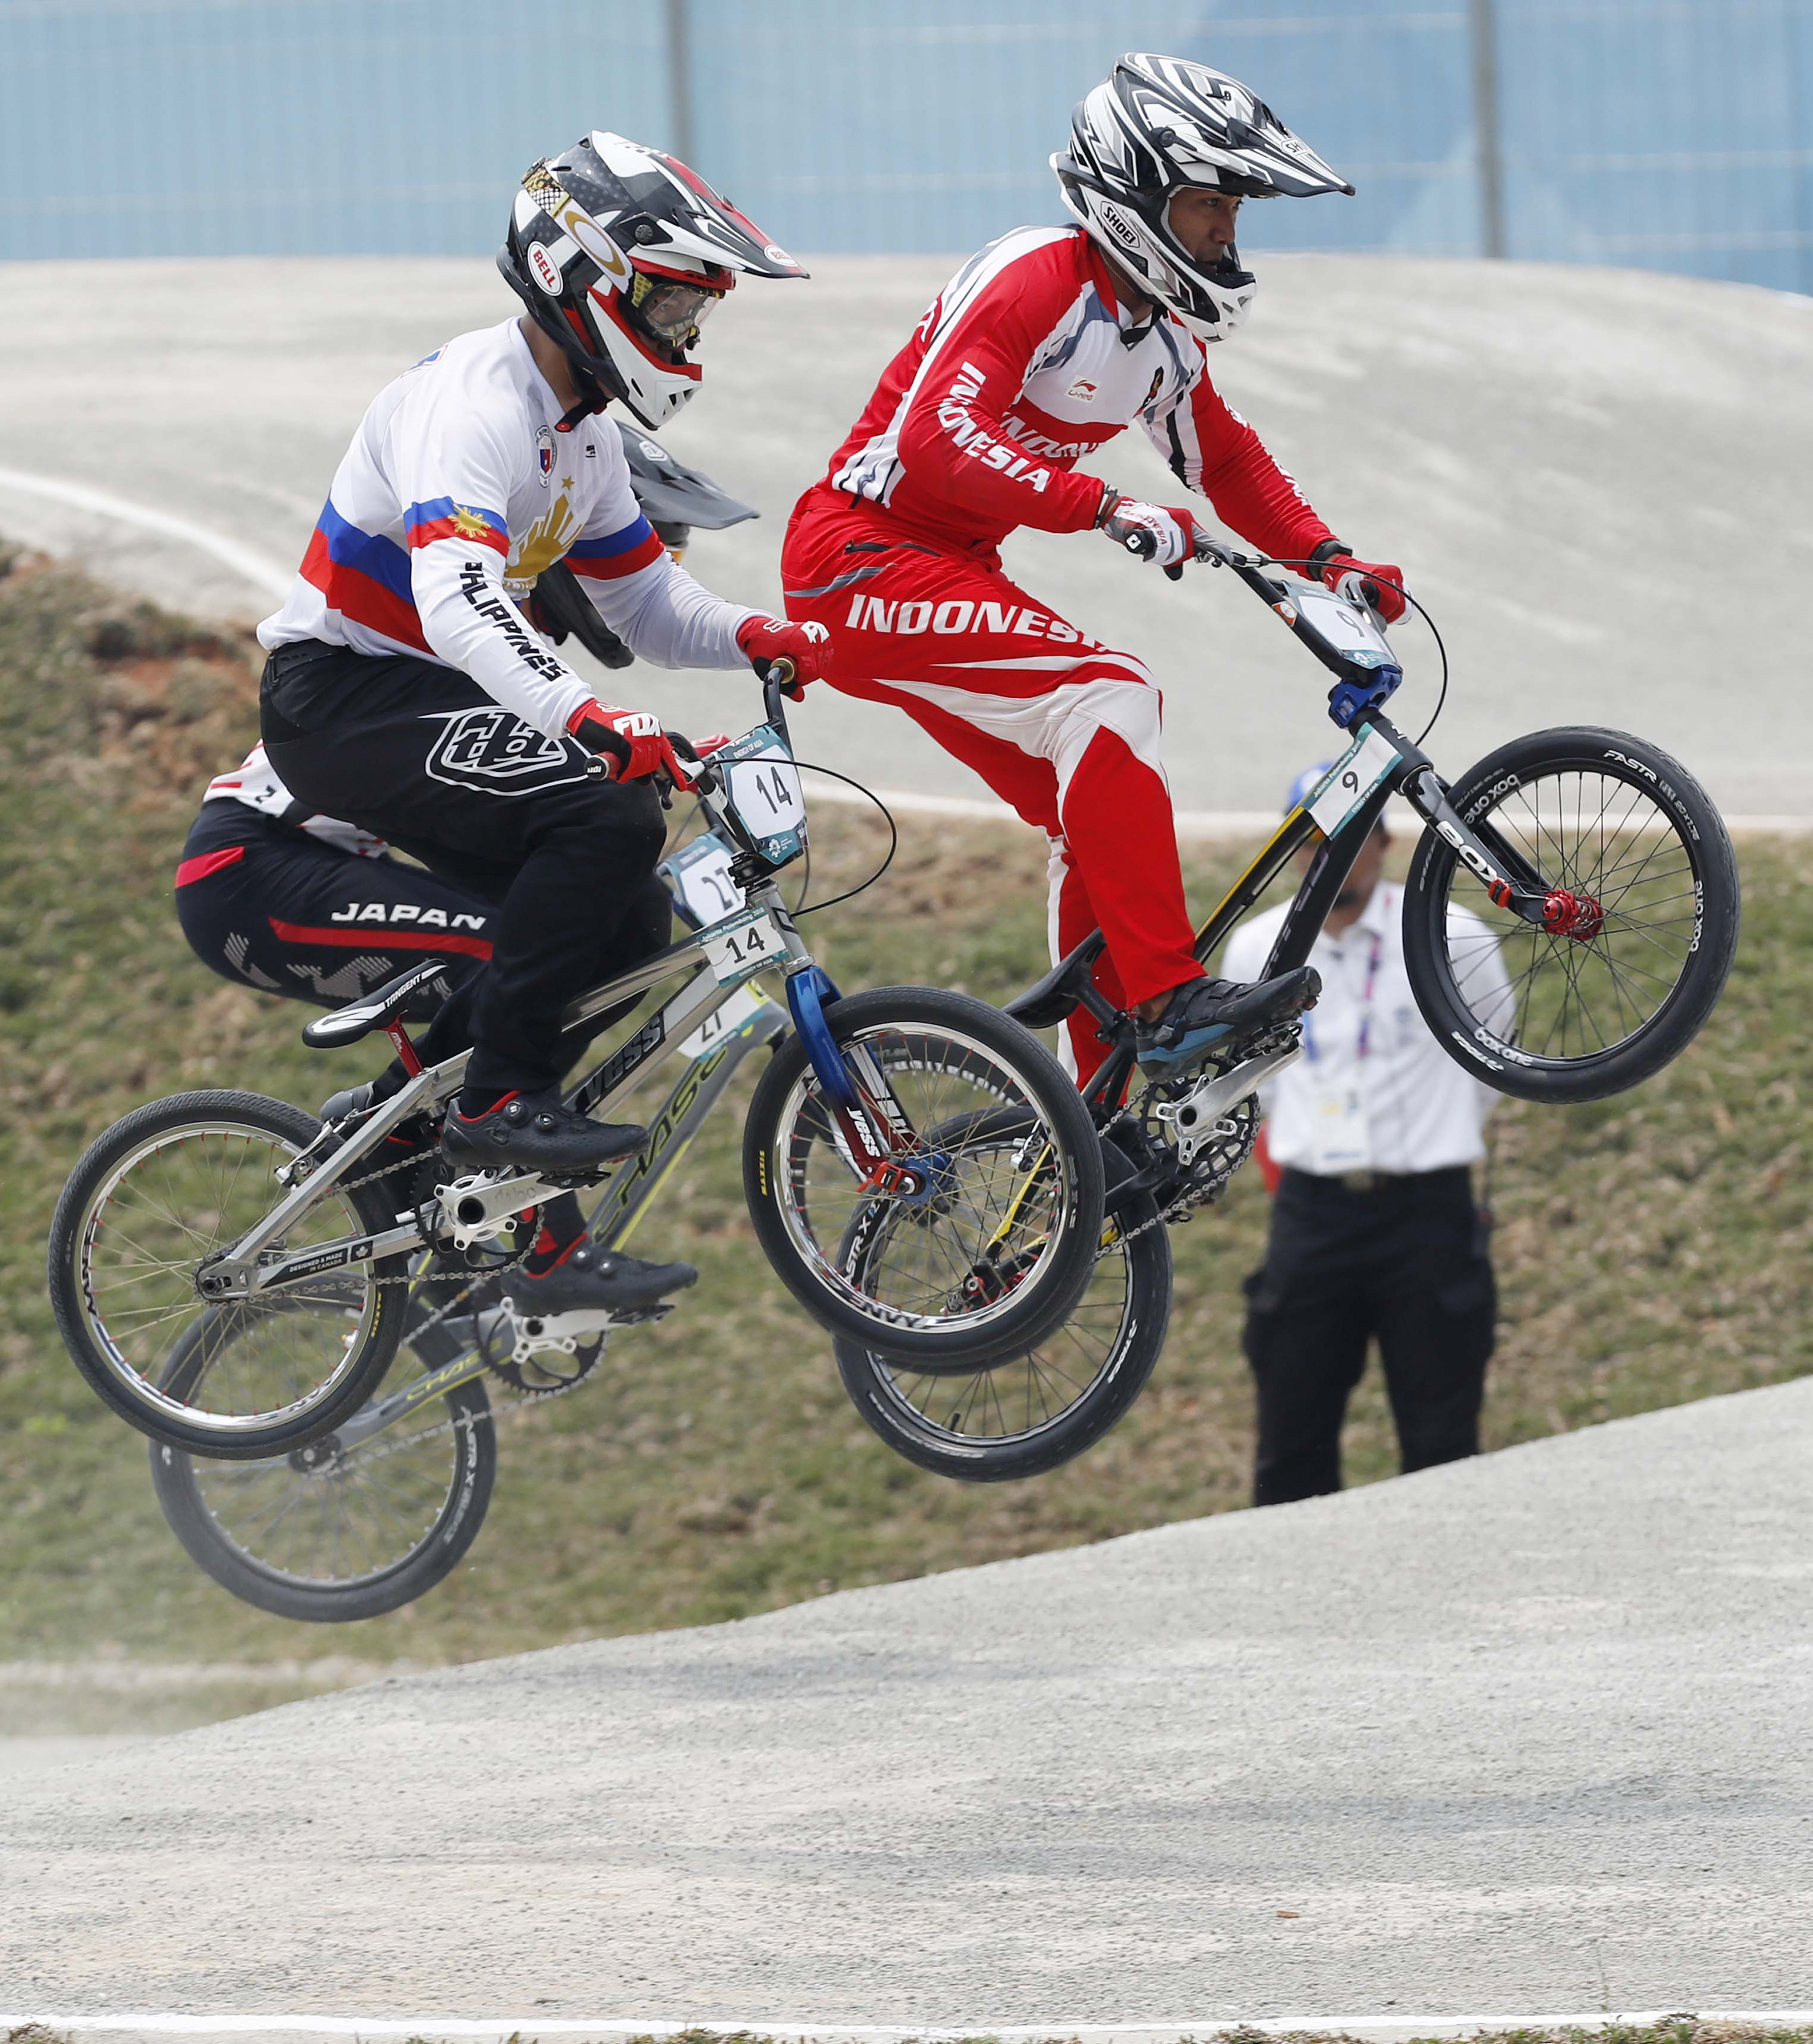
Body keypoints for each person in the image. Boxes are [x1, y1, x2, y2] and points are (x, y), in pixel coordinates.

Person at [249, 134, 831, 1314]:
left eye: (695, 314)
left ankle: (429, 1146)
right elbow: (456, 598)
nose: (686, 338)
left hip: (416, 702)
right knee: (608, 817)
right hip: (341, 698)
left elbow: (646, 603)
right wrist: (592, 716)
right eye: (671, 304)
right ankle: (491, 1105)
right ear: (582, 277)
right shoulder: (474, 403)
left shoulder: (583, 434)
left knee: (627, 925)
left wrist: (754, 634)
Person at [781, 52, 1405, 1084]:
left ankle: (1096, 1099)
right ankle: (1164, 998)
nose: (1225, 231)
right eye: (1207, 203)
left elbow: (1228, 462)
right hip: (859, 559)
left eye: (1232, 209)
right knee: (1109, 693)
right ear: (1131, 195)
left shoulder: (1159, 338)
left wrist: (1327, 557)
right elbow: (939, 435)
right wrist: (1106, 506)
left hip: (937, 569)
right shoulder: (1036, 277)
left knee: (1090, 809)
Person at [1224, 767, 1513, 1506]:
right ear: (1294, 849)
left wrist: (1436, 1132)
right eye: (1318, 836)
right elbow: (1247, 1083)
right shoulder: (1257, 950)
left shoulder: (1451, 934)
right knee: (1291, 1440)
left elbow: (1496, 1046)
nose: (1336, 852)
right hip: (1314, 1217)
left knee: (1443, 1441)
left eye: (1354, 833)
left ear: (1384, 841)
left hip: (1429, 1214)